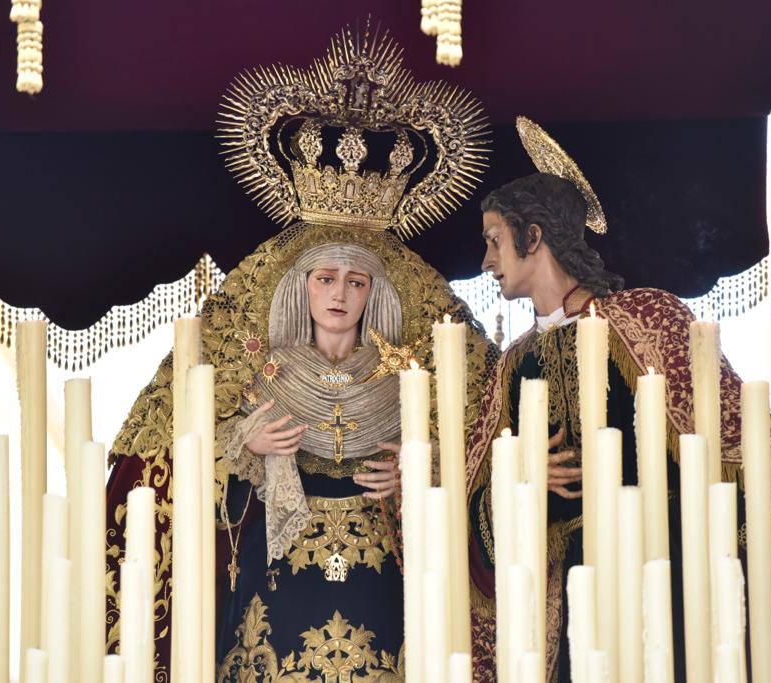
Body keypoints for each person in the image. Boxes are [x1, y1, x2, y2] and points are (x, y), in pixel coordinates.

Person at [103, 25, 496, 682]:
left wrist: (423, 479)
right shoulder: (257, 370)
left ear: (375, 293)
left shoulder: (408, 382)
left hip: (386, 601)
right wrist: (240, 450)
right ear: (300, 288)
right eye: (325, 279)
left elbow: (479, 471)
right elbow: (167, 474)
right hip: (274, 600)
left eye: (355, 281)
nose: (339, 294)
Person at [465, 117, 771, 681]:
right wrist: (514, 482)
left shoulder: (647, 318)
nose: (487, 262)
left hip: (664, 575)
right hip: (565, 600)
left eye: (495, 241)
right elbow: (472, 500)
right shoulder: (514, 363)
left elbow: (735, 426)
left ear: (535, 236)